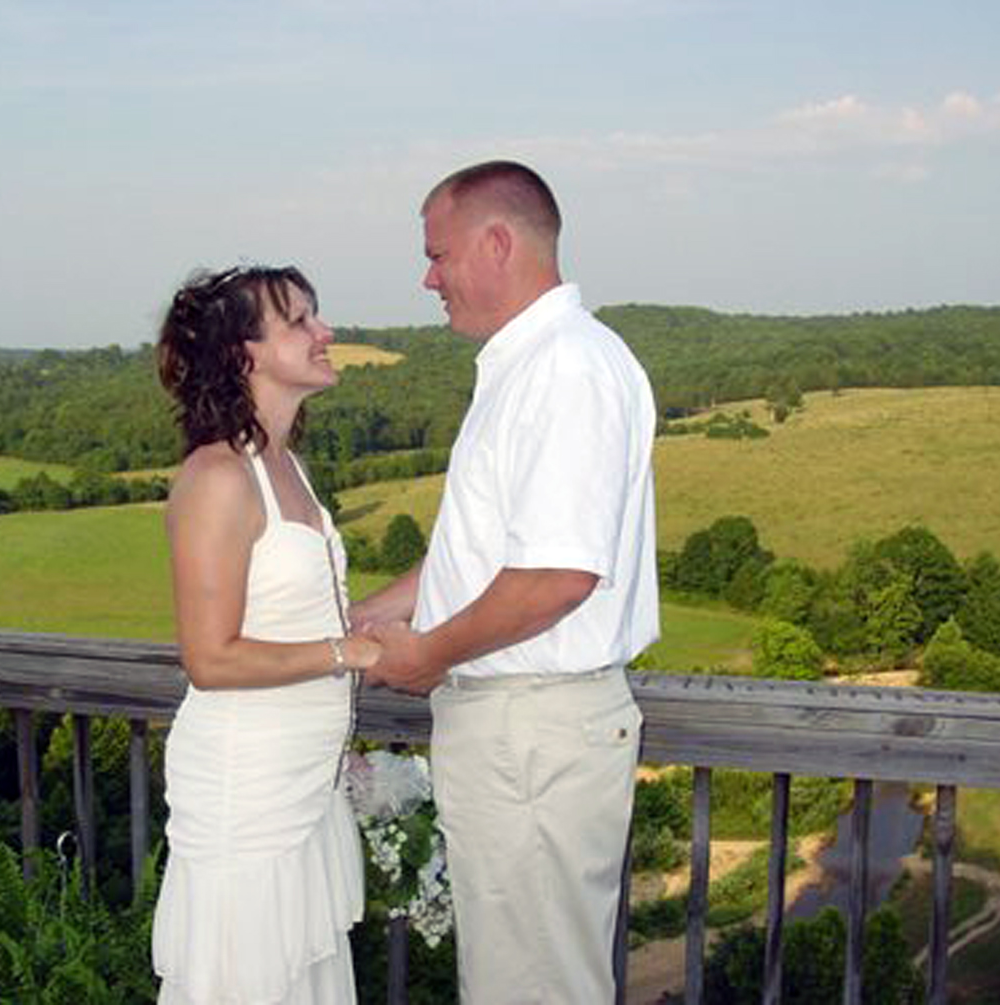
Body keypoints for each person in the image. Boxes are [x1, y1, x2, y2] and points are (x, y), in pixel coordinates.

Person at [354, 161, 660, 1003]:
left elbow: (557, 575)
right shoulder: (531, 366)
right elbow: (482, 558)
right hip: (522, 731)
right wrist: (362, 615)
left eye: (437, 255)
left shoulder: (566, 368)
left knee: (531, 986)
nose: (429, 279)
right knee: (512, 978)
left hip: (533, 731)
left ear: (497, 243)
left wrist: (426, 655)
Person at [150, 265, 379, 1004]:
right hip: (246, 790)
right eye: (300, 320)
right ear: (242, 353)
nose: (325, 332)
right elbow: (209, 657)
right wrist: (347, 654)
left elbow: (296, 615)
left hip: (304, 784)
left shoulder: (287, 467)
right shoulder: (218, 478)